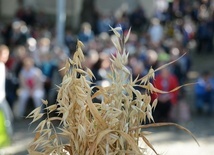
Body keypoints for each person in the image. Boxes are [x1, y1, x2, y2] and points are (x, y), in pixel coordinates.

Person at [0, 45, 13, 147]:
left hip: (2, 98)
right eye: (4, 54)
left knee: (8, 118)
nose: (6, 57)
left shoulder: (2, 66)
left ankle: (7, 140)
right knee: (6, 120)